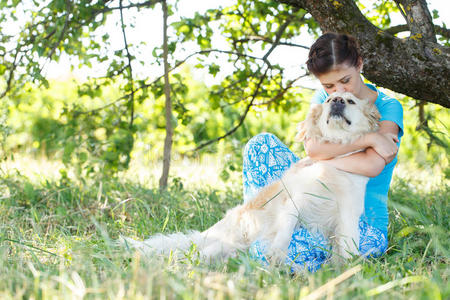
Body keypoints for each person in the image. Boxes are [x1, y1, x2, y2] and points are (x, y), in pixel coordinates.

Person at [242, 32, 404, 272]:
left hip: (363, 223)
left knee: (310, 254)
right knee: (261, 144)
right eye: (329, 86)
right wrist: (370, 138)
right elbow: (313, 147)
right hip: (314, 205)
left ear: (359, 64)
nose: (338, 91)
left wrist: (318, 161)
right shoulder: (323, 98)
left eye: (345, 80)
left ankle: (275, 247)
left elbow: (372, 165)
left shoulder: (389, 107)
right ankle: (256, 227)